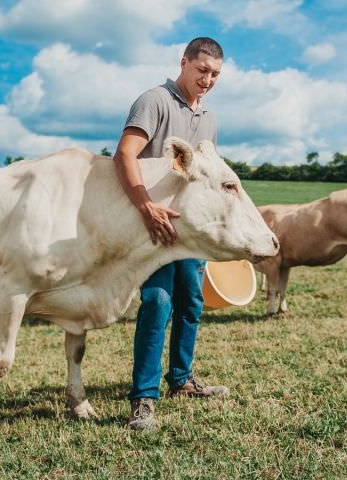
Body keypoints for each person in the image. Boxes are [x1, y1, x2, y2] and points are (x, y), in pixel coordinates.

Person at [113, 37, 229, 430]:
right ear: (183, 63)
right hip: (156, 227)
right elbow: (125, 154)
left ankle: (181, 380)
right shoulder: (154, 100)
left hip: (190, 232)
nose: (207, 80)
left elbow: (206, 175)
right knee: (158, 303)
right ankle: (143, 399)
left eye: (214, 74)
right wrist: (146, 208)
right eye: (201, 71)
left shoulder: (209, 118)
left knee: (191, 303)